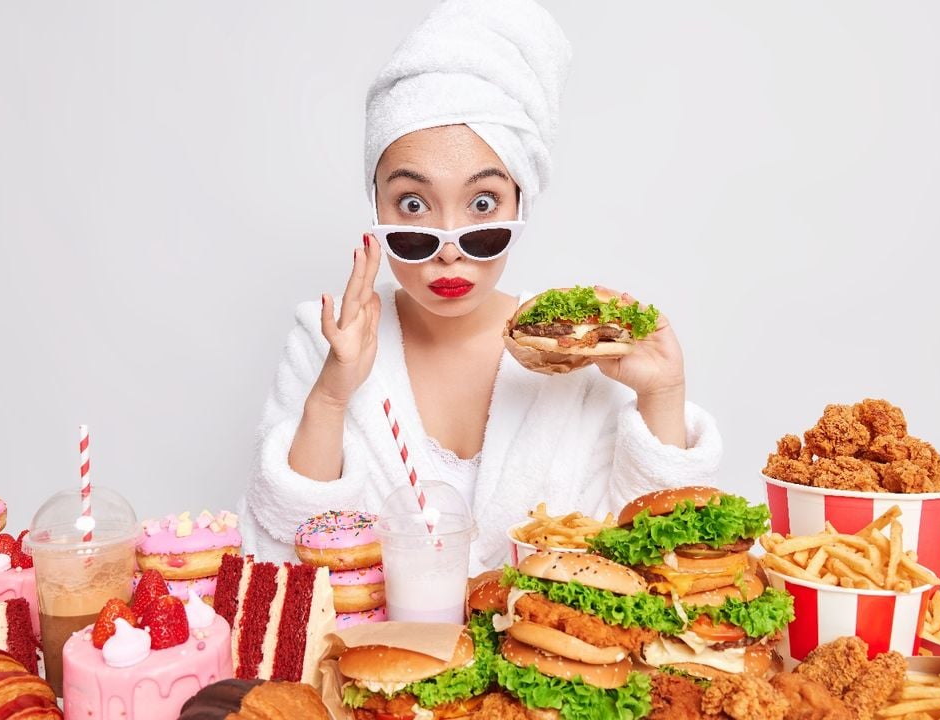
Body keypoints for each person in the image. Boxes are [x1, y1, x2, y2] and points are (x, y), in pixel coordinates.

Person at [239, 0, 721, 573]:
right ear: (378, 206)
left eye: (483, 204)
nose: (448, 244)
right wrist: (332, 395)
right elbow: (283, 560)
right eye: (413, 204)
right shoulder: (323, 345)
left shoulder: (577, 356)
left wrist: (661, 396)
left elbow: (667, 563)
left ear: (523, 201)